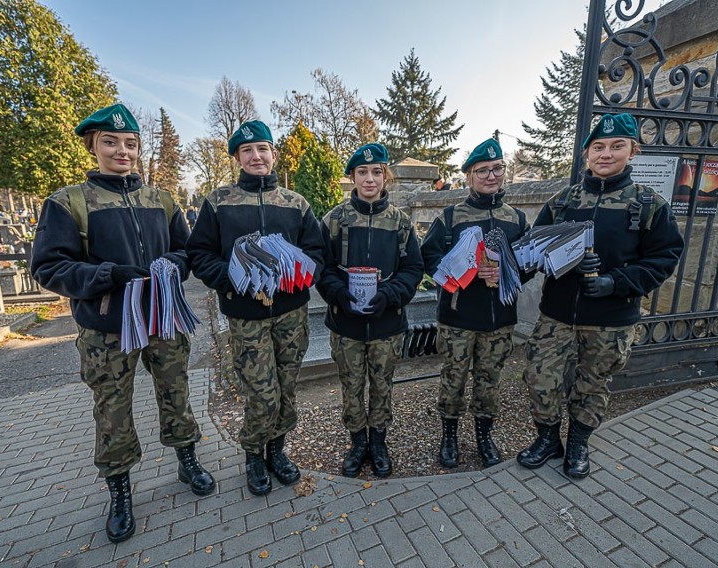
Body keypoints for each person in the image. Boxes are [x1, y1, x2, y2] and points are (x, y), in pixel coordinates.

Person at [31, 103, 214, 544]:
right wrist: (107, 275)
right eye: (111, 142)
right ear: (93, 146)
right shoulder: (68, 202)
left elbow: (185, 251)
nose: (122, 151)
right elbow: (49, 267)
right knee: (112, 411)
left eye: (130, 143)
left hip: (162, 320)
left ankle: (187, 461)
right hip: (107, 330)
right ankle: (120, 491)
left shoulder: (161, 199)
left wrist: (173, 260)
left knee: (176, 394)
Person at [517, 113, 684, 479]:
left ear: (632, 151)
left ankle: (578, 443)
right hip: (557, 313)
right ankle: (548, 440)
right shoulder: (563, 202)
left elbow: (664, 257)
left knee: (592, 383)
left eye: (616, 146)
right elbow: (533, 251)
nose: (606, 154)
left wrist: (616, 282)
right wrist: (504, 266)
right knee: (539, 379)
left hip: (611, 318)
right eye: (598, 147)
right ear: (586, 154)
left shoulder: (648, 204)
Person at [186, 120, 325, 496]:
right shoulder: (219, 202)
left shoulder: (296, 203)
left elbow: (317, 253)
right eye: (247, 151)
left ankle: (278, 452)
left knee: (286, 387)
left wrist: (294, 272)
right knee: (261, 393)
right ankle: (253, 455)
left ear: (274, 154)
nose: (256, 156)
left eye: (262, 149)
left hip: (291, 313)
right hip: (245, 315)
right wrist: (234, 278)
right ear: (237, 158)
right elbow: (199, 254)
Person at [421, 138, 531, 469]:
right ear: (469, 176)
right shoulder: (452, 216)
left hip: (499, 319)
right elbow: (428, 257)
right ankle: (449, 435)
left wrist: (508, 272)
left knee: (489, 380)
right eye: (482, 170)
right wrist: (463, 272)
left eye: (497, 168)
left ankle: (484, 435)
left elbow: (529, 262)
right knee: (453, 378)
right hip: (457, 317)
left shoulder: (517, 218)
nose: (490, 176)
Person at [317, 143, 423, 478]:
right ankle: (357, 442)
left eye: (377, 171)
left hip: (386, 323)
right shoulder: (334, 220)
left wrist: (390, 294)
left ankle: (379, 442)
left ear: (386, 177)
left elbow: (413, 268)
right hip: (345, 322)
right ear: (352, 176)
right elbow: (322, 267)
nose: (369, 178)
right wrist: (338, 293)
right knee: (351, 386)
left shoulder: (400, 222)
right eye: (362, 172)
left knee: (382, 385)